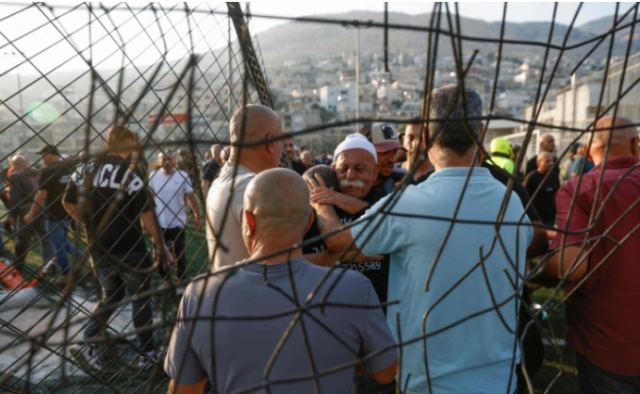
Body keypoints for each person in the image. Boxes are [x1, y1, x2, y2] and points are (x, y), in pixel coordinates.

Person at [314, 85, 531, 394]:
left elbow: (338, 245)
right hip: (499, 380)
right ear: (480, 132)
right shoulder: (511, 203)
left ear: (425, 136)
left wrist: (321, 201)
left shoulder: (409, 204)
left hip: (428, 383)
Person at [164, 168, 398, 394]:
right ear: (308, 223)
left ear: (249, 221)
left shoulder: (200, 293)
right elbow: (386, 372)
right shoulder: (354, 288)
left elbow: (184, 389)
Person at [537, 116, 640, 394]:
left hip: (608, 343)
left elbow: (572, 264)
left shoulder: (580, 189)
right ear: (635, 144)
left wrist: (537, 275)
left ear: (588, 149)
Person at [63, 126, 173, 372]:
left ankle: (88, 342)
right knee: (141, 296)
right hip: (129, 245)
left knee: (111, 295)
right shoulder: (130, 174)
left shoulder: (83, 170)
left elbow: (67, 201)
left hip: (97, 246)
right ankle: (149, 354)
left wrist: (89, 221)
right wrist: (160, 245)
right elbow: (147, 214)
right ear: (130, 145)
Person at [206, 104, 283, 270]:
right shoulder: (254, 187)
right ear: (270, 142)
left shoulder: (221, 180)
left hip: (225, 290)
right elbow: (280, 265)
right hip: (255, 293)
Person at [23, 145, 77, 285]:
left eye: (42, 155)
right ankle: (85, 261)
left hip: (55, 214)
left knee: (58, 244)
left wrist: (31, 213)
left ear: (49, 154)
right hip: (69, 211)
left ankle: (65, 274)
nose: (41, 158)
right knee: (63, 241)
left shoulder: (48, 170)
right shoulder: (69, 167)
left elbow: (41, 195)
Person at [149, 151, 203, 282]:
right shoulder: (153, 176)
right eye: (163, 159)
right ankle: (165, 281)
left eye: (170, 158)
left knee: (179, 253)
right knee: (159, 254)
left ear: (175, 160)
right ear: (158, 161)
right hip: (159, 223)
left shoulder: (183, 175)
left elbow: (191, 196)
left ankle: (181, 279)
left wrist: (197, 216)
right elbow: (149, 199)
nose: (167, 162)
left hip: (178, 222)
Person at [8, 154, 54, 276]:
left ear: (17, 165)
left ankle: (18, 266)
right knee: (46, 239)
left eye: (13, 165)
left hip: (26, 210)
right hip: (42, 207)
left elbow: (15, 197)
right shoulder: (38, 172)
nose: (13, 167)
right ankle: (50, 266)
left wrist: (12, 215)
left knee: (22, 240)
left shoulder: (16, 175)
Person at [359, 123, 411, 195]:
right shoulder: (345, 181)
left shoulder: (404, 180)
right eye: (384, 152)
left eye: (395, 153)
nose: (392, 160)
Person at [523, 152, 560, 227]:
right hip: (535, 220)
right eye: (547, 161)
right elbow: (524, 198)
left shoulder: (554, 177)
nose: (551, 163)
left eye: (552, 161)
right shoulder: (531, 178)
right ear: (538, 163)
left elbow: (557, 195)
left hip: (550, 219)